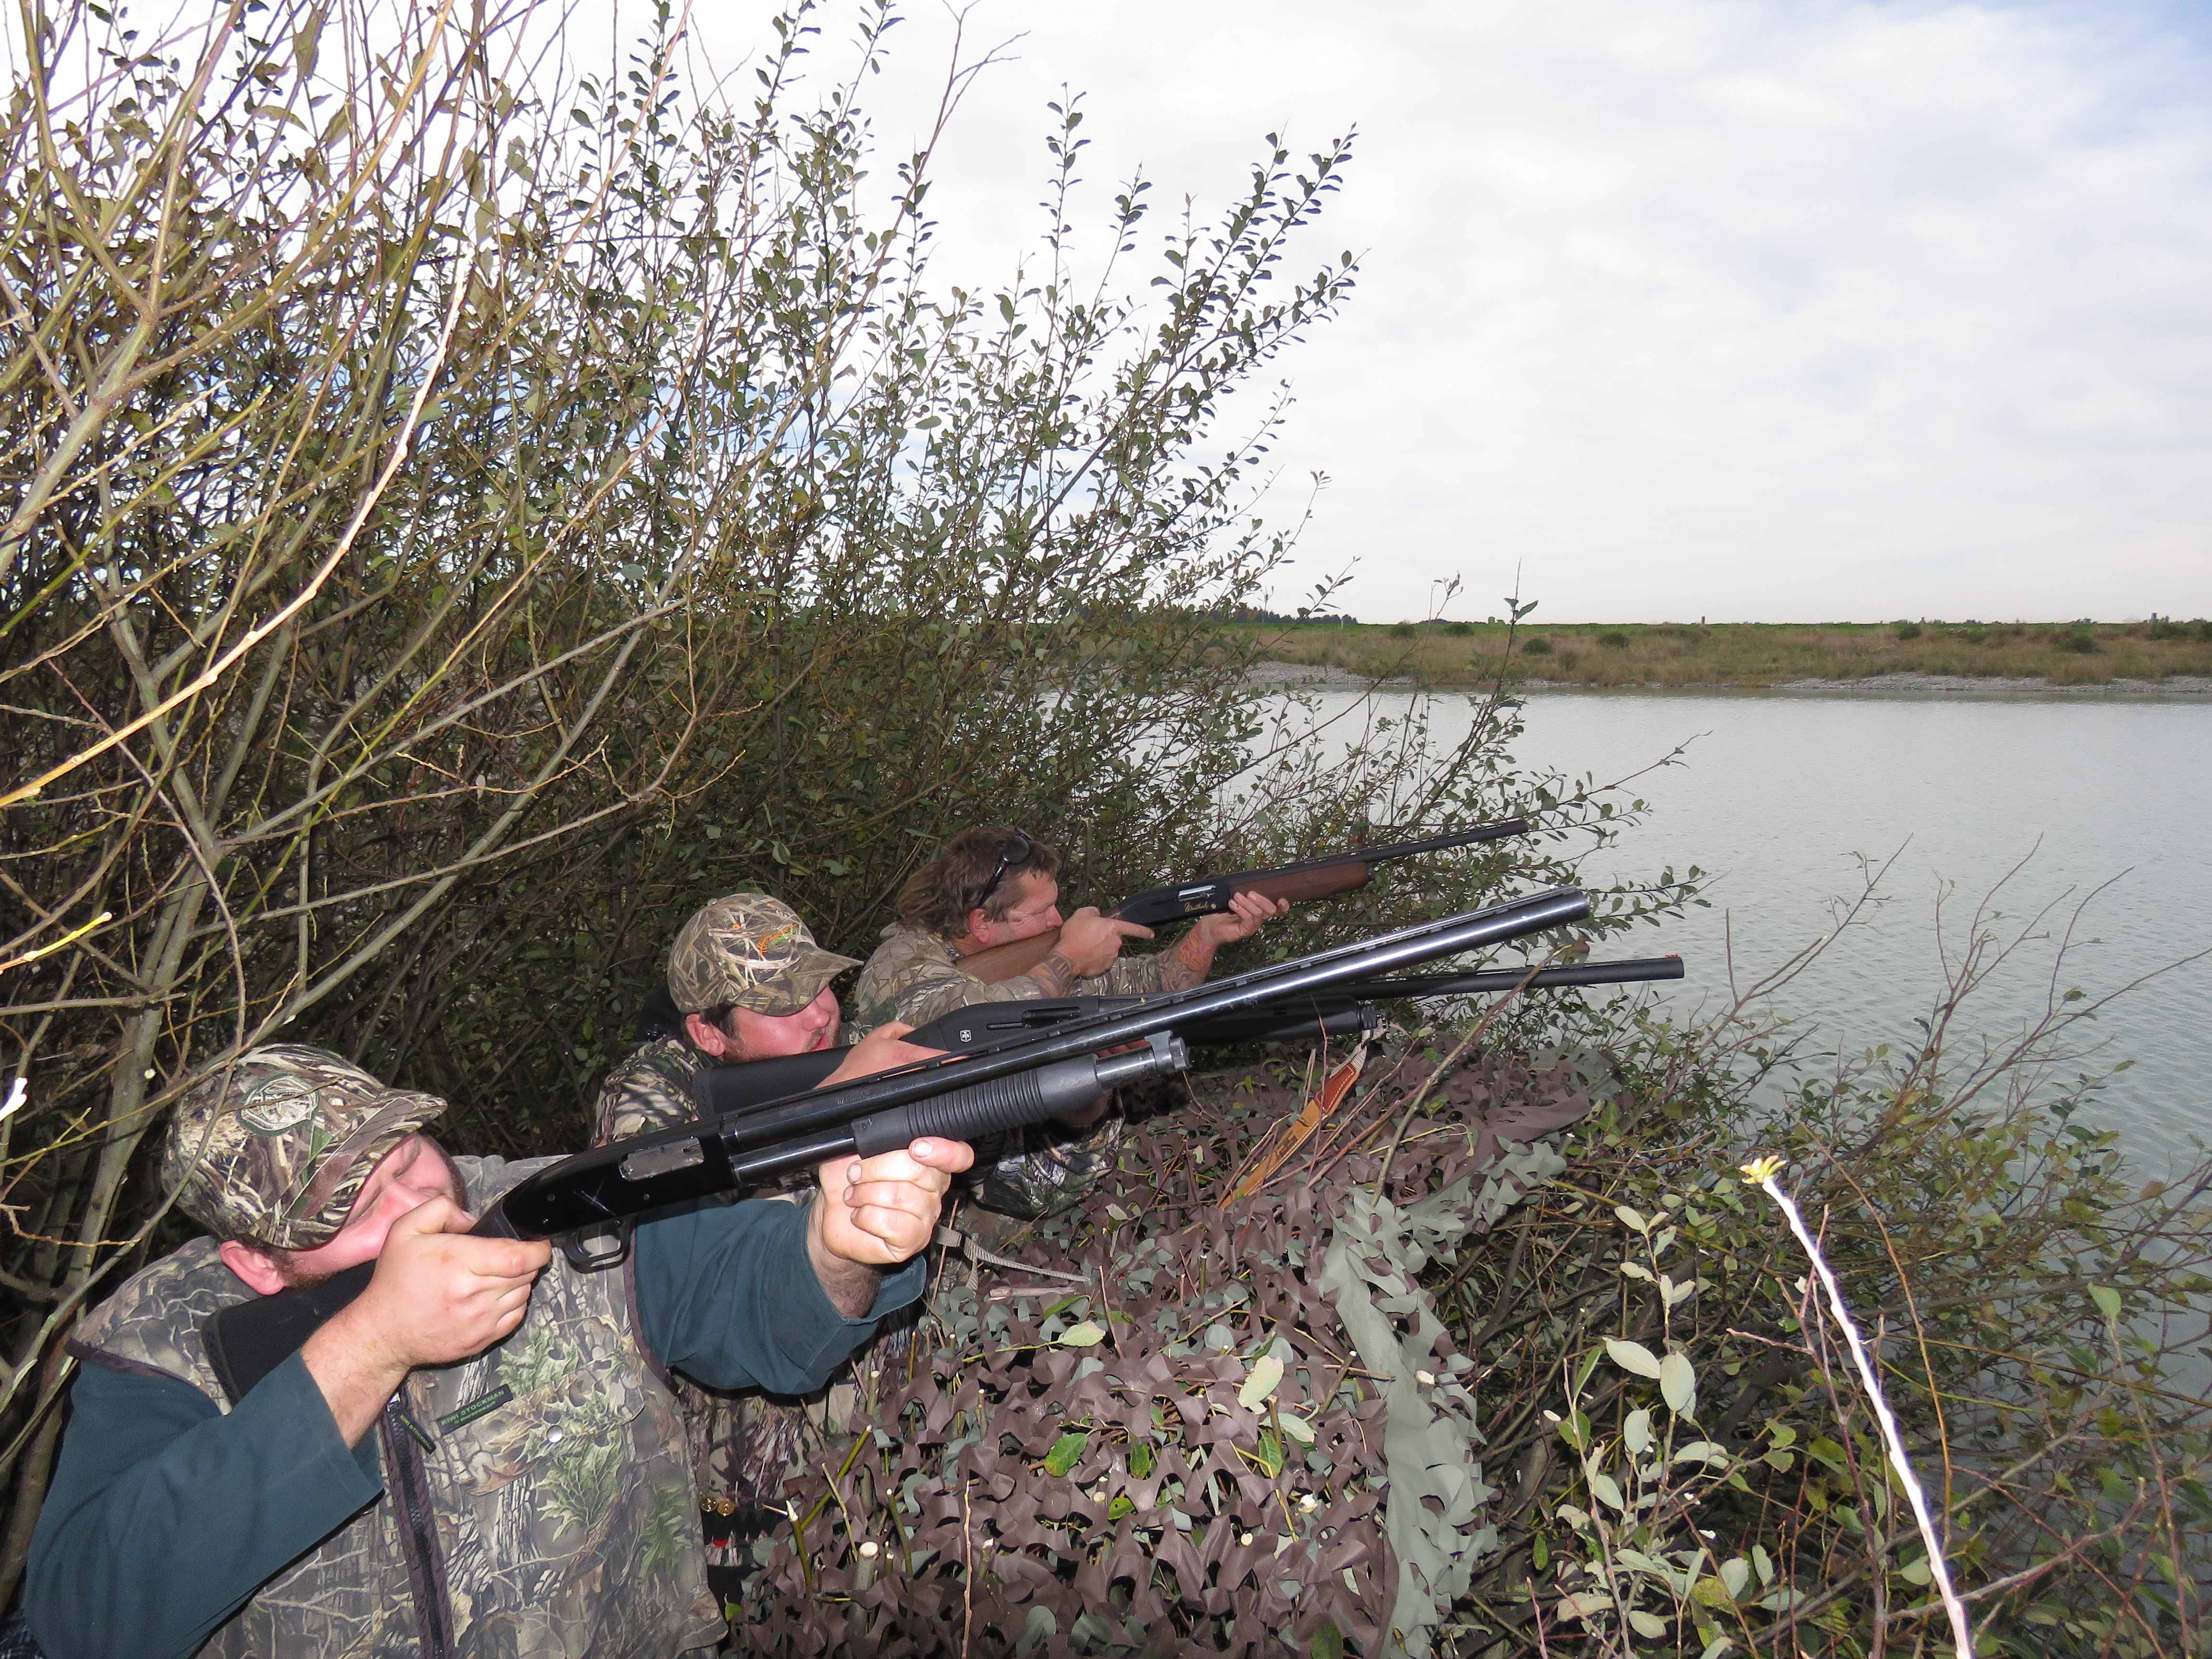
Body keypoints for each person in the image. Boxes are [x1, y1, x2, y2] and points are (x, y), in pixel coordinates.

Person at [22, 1043, 970, 1659]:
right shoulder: (157, 1344)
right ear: (256, 1266)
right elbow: (92, 1623)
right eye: (352, 1210)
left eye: (409, 1155)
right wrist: (371, 1342)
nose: (421, 1208)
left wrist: (840, 1249)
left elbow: (769, 1316)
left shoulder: (550, 1209)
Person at [592, 891, 1111, 1620]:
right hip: (756, 1468)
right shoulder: (649, 1094)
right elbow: (674, 1247)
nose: (819, 1014)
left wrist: (1071, 1102)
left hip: (899, 1428)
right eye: (782, 1003)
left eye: (821, 986)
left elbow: (1036, 1187)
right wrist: (842, 1101)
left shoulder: (865, 1044)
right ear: (709, 1035)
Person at [848, 824, 1288, 1034]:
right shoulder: (903, 960)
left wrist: (1206, 937)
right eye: (1040, 913)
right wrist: (1070, 958)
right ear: (981, 922)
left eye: (1057, 906)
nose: (1058, 922)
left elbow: (1157, 985)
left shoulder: (1039, 960)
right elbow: (964, 1021)